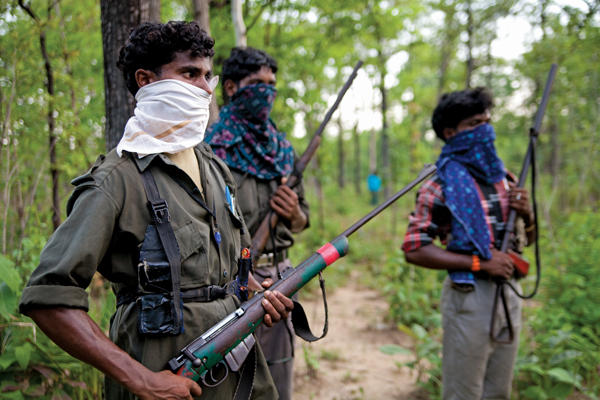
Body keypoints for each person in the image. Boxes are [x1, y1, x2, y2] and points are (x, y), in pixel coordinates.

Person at [18, 21, 293, 400]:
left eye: (208, 76)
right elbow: (48, 297)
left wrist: (257, 294)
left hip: (237, 377)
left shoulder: (215, 168)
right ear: (145, 80)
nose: (204, 88)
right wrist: (142, 380)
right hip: (161, 379)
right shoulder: (116, 180)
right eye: (189, 74)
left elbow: (232, 270)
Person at [402, 87, 535, 399]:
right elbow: (414, 248)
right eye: (475, 124)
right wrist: (480, 263)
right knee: (463, 392)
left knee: (498, 391)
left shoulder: (505, 179)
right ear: (451, 133)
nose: (485, 130)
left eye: (487, 121)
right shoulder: (439, 184)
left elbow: (528, 239)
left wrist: (528, 215)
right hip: (469, 296)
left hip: (509, 292)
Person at [204, 47, 310, 400]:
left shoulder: (282, 150)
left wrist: (294, 212)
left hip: (280, 279)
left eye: (272, 85)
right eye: (257, 83)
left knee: (278, 378)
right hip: (228, 283)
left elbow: (302, 221)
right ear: (231, 87)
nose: (267, 92)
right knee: (230, 381)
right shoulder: (212, 151)